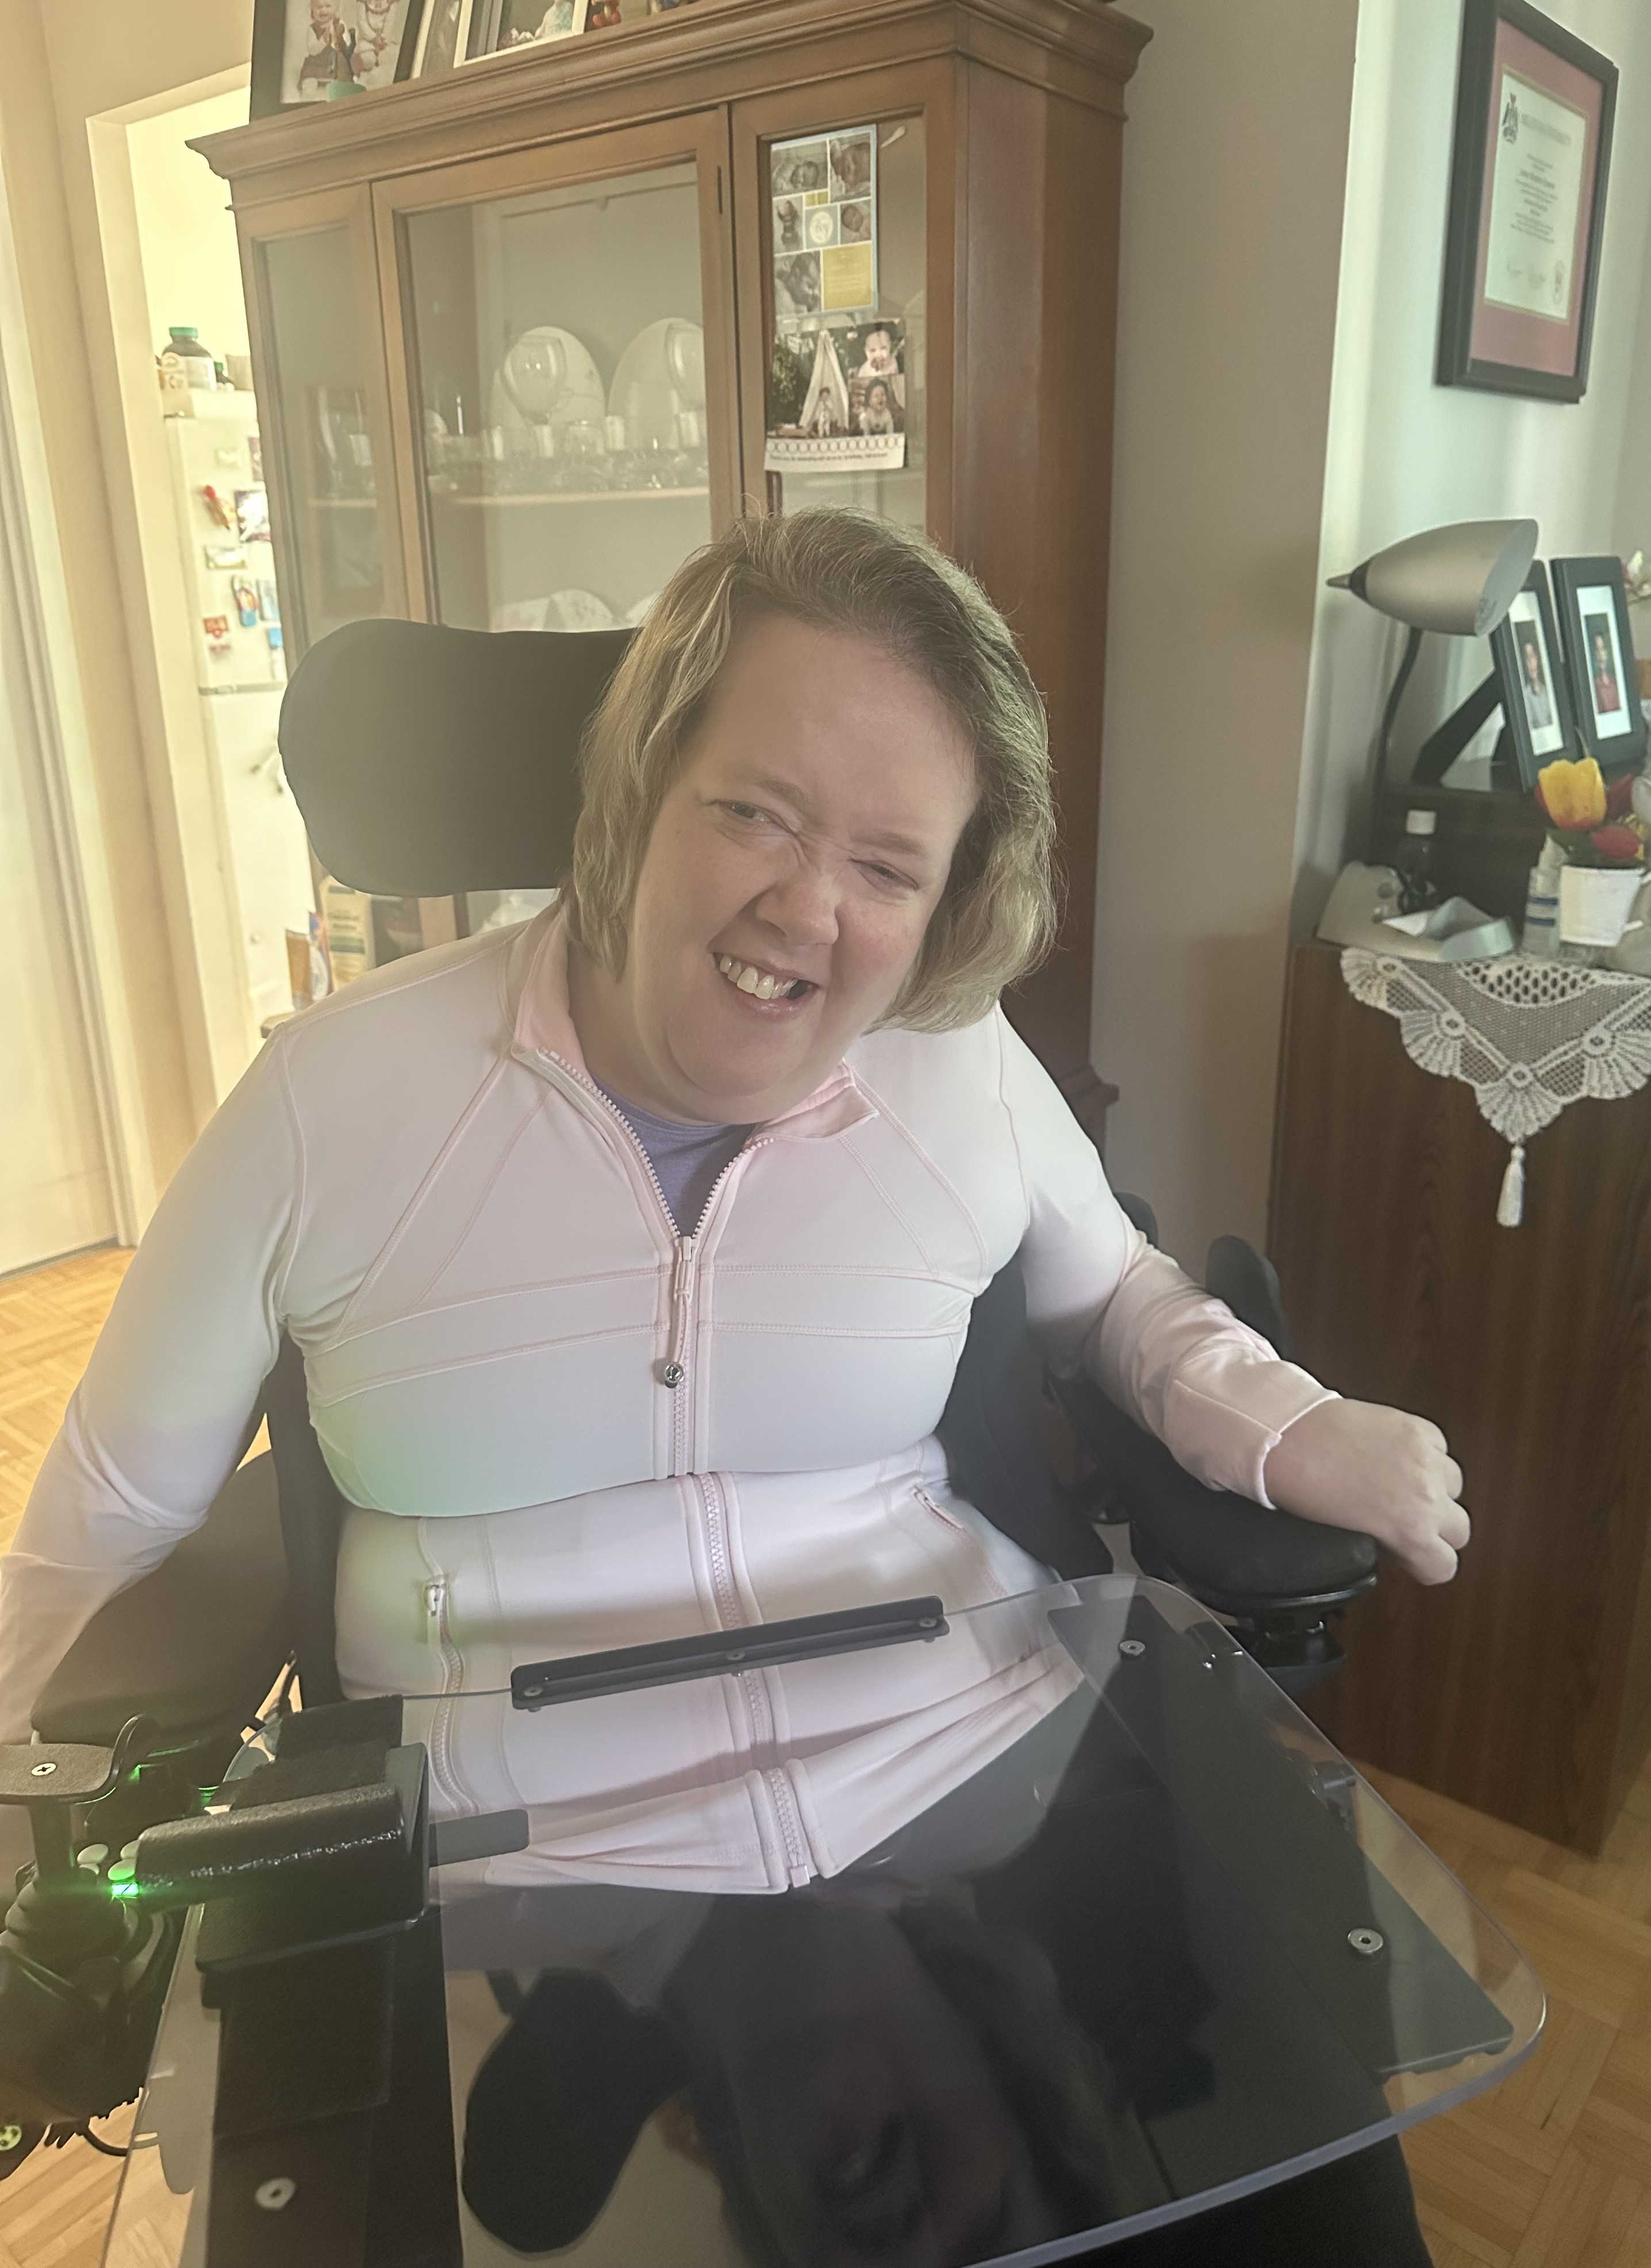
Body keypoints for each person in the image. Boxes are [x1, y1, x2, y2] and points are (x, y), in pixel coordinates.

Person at [1, 510, 1458, 2259]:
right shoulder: (333, 1100)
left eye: (887, 865)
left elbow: (1123, 1302)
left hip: (961, 1767)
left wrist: (1297, 1424)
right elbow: (111, 1511)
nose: (808, 909)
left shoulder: (953, 1065)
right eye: (755, 810)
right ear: (634, 785)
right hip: (510, 1853)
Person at [1519, 631, 1553, 732]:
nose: (1531, 663)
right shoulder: (1525, 695)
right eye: (1527, 658)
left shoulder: (1548, 691)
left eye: (1532, 656)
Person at [1592, 625, 1621, 714]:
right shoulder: (1594, 684)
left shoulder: (1615, 681)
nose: (1600, 654)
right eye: (1597, 650)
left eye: (1602, 649)